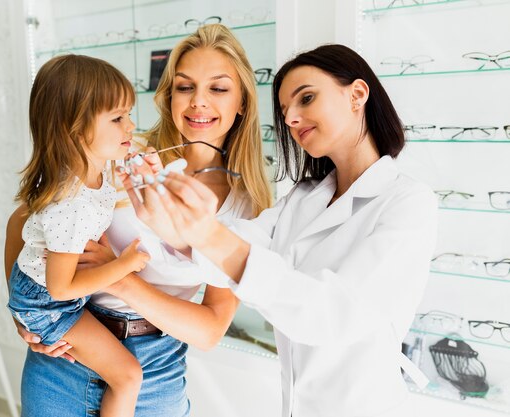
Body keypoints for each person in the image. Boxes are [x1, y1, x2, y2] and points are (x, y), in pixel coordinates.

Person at [122, 44, 439, 417]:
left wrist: (202, 233)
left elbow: (331, 314)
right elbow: (234, 248)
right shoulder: (302, 199)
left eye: (306, 98)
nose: (291, 118)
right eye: (286, 111)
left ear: (356, 95)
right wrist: (173, 229)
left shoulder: (407, 202)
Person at [4, 24, 272, 417]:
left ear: (243, 102)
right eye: (184, 86)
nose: (198, 102)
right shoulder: (123, 151)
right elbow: (25, 219)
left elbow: (211, 329)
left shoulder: (246, 206)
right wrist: (24, 312)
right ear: (168, 95)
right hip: (69, 352)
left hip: (154, 371)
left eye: (218, 88)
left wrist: (120, 277)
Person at [7, 54, 151, 417]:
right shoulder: (71, 204)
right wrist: (124, 265)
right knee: (128, 377)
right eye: (117, 118)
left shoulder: (97, 173)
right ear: (75, 130)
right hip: (48, 303)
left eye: (128, 114)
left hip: (49, 294)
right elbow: (60, 288)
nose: (130, 126)